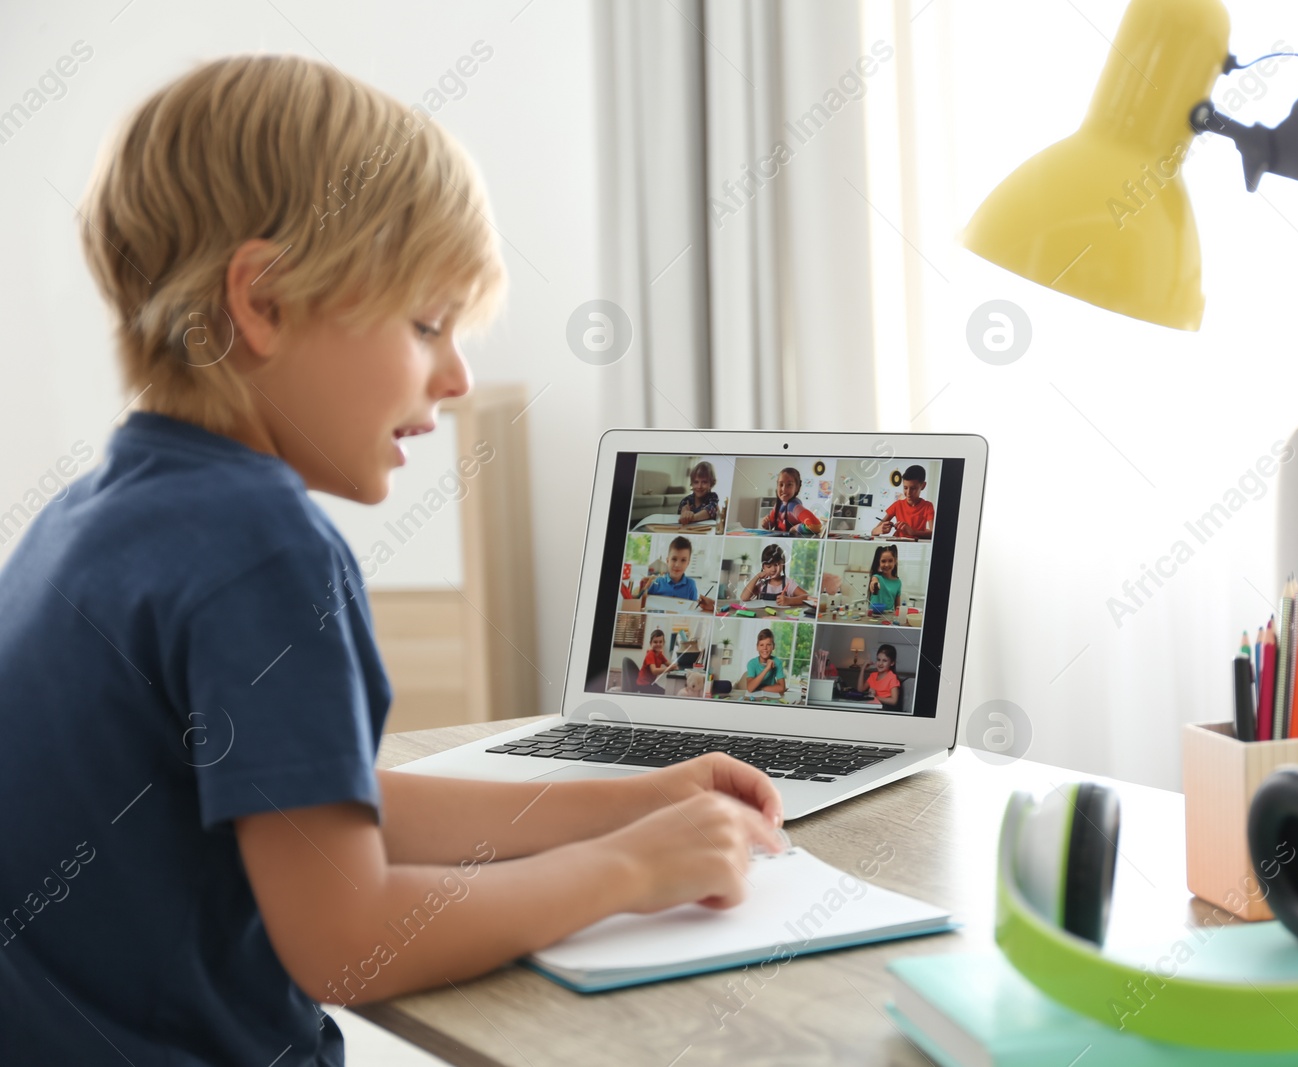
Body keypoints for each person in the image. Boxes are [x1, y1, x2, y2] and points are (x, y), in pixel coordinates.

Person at [0, 56, 784, 1066]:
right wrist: (630, 869)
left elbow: (326, 813)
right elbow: (351, 937)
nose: (457, 374)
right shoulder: (262, 546)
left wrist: (636, 797)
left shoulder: (95, 511)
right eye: (427, 324)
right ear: (265, 299)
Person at [642, 535, 714, 612]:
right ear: (667, 560)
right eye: (674, 559)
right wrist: (643, 588)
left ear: (688, 563)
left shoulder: (691, 585)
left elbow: (693, 609)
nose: (677, 565)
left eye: (683, 560)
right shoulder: (657, 582)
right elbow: (645, 603)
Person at [872, 464, 935, 540]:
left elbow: (934, 534)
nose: (908, 493)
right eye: (905, 488)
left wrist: (913, 532)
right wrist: (879, 530)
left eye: (913, 488)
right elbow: (873, 532)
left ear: (923, 486)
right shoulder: (897, 505)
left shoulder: (927, 506)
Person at [741, 543, 809, 608]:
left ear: (783, 564)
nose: (773, 569)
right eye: (769, 566)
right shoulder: (762, 585)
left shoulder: (788, 583)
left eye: (776, 565)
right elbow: (744, 598)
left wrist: (789, 601)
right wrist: (757, 577)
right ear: (763, 567)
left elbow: (807, 597)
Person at [759, 466, 822, 536]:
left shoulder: (794, 507)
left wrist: (796, 528)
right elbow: (771, 524)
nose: (784, 489)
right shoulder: (778, 505)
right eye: (781, 484)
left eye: (789, 485)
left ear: (797, 488)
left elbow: (816, 525)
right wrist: (765, 523)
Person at [739, 628, 787, 696]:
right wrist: (767, 669)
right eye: (761, 645)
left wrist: (760, 687)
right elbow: (750, 688)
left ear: (773, 646)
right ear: (757, 647)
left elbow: (782, 688)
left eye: (768, 645)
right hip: (755, 696)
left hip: (771, 695)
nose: (765, 648)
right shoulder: (752, 663)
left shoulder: (777, 662)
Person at [677, 460, 720, 525]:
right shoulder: (686, 500)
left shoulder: (713, 497)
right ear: (692, 483)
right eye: (696, 482)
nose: (699, 486)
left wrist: (691, 518)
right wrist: (685, 513)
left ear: (711, 484)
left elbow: (708, 511)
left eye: (704, 482)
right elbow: (682, 512)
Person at [865, 544, 901, 616]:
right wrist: (874, 583)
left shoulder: (898, 582)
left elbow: (898, 607)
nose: (886, 565)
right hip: (873, 615)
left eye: (890, 561)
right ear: (879, 562)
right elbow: (874, 580)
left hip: (889, 616)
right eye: (883, 561)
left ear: (895, 561)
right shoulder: (877, 577)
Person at [637, 629, 670, 694]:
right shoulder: (650, 654)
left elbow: (669, 664)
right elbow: (654, 671)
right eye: (655, 642)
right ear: (651, 643)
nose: (658, 644)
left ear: (664, 643)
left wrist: (675, 666)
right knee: (664, 693)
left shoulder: (660, 655)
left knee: (665, 691)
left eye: (660, 642)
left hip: (650, 683)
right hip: (643, 685)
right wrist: (668, 669)